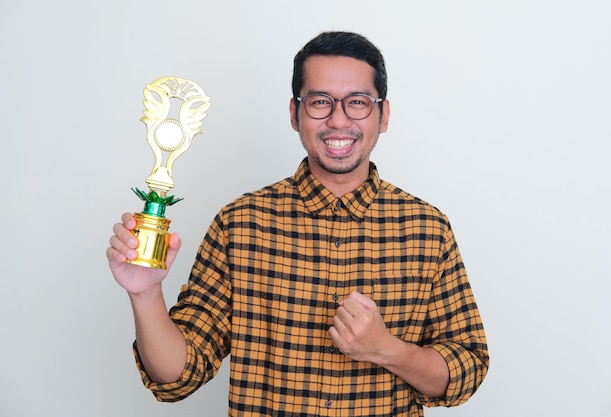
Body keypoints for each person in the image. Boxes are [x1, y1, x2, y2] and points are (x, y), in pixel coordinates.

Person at [107, 31, 489, 417]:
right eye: (320, 102)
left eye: (357, 102)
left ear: (382, 115)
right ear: (295, 113)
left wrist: (385, 349)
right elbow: (177, 376)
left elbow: (466, 371)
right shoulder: (240, 224)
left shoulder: (428, 229)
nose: (338, 120)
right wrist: (145, 295)